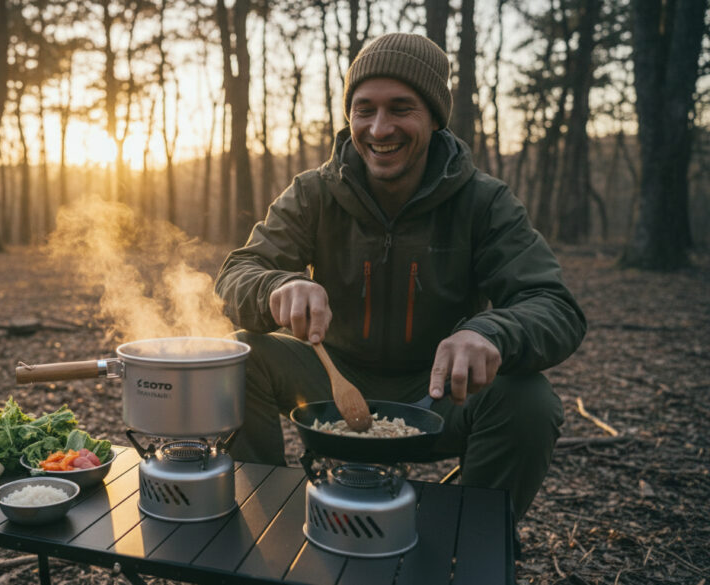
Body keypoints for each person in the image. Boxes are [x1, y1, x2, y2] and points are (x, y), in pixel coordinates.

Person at [214, 32, 587, 526]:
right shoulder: (314, 193)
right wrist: (276, 287)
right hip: (331, 379)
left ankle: (474, 542)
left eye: (401, 108)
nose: (379, 127)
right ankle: (262, 525)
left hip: (438, 393)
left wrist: (488, 331)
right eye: (364, 108)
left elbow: (555, 306)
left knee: (530, 401)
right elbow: (239, 272)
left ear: (433, 117)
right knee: (238, 356)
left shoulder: (484, 202)